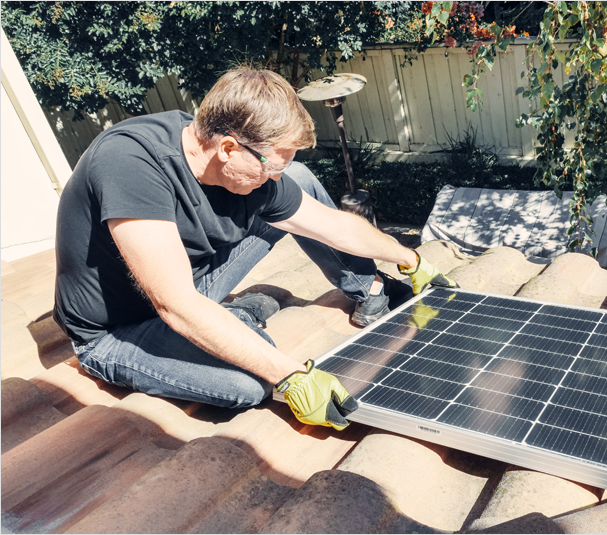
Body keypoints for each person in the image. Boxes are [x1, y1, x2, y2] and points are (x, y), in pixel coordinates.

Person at [53, 67, 457, 430]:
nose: (274, 177)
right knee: (250, 383)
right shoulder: (132, 163)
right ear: (228, 148)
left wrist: (410, 258)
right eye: (271, 165)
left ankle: (369, 293)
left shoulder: (253, 172)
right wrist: (291, 374)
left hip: (193, 283)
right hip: (118, 329)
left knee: (299, 180)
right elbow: (174, 303)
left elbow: (333, 225)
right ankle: (231, 320)